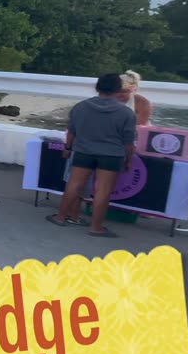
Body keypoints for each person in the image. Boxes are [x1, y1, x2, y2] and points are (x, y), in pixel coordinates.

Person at [48, 73, 138, 237]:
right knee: (103, 191)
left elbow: (71, 132)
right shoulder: (126, 113)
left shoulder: (81, 107)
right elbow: (129, 142)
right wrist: (128, 160)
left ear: (97, 87)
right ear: (118, 90)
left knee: (74, 185)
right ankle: (96, 227)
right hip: (111, 155)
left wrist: (68, 148)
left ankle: (60, 217)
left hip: (84, 151)